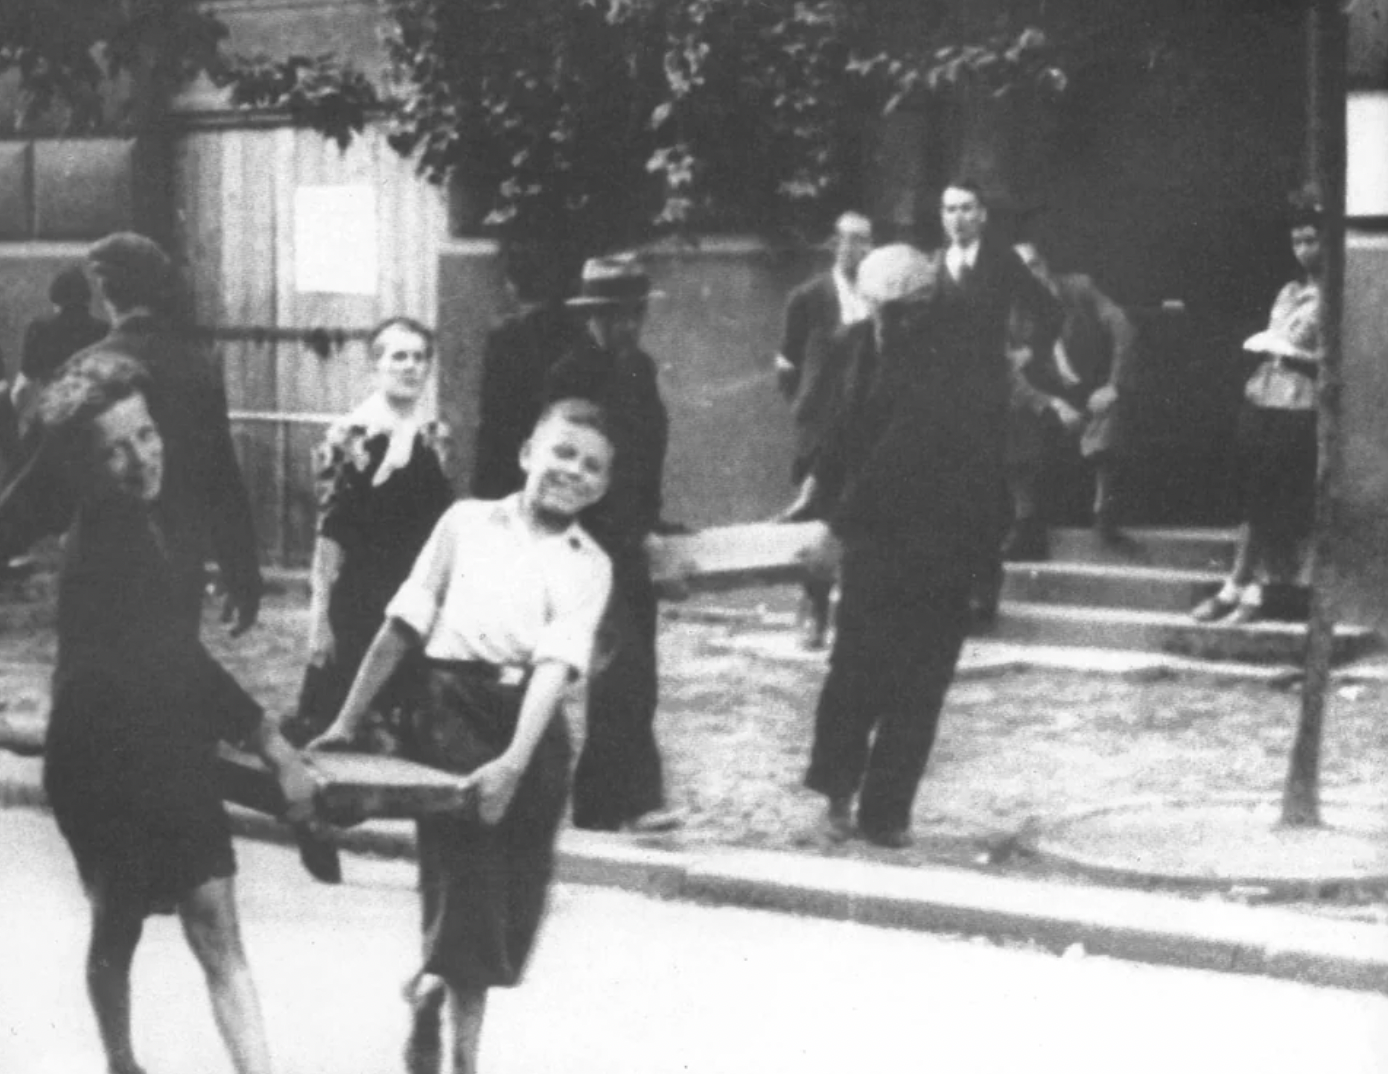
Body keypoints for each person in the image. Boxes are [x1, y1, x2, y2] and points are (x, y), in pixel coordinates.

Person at [308, 398, 615, 1074]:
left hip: (532, 733)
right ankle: (463, 1063)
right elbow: (402, 627)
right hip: (447, 715)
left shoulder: (590, 564)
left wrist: (513, 761)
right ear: (527, 453)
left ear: (604, 485)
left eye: (592, 466)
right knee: (467, 887)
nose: (573, 471)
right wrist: (347, 721)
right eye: (562, 452)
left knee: (512, 911)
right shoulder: (465, 523)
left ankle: (427, 988)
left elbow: (555, 669)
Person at [30, 351, 316, 1074]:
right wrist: (270, 742)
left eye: (147, 435)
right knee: (117, 926)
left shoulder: (165, 516)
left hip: (169, 744)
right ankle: (123, 1064)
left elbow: (178, 659)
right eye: (114, 451)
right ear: (87, 469)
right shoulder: (101, 551)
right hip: (101, 764)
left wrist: (265, 742)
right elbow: (175, 661)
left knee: (217, 928)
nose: (139, 459)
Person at [0, 232, 263, 635]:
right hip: (178, 556)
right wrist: (242, 571)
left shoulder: (87, 367)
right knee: (170, 675)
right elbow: (222, 477)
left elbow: (42, 483)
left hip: (100, 562)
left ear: (105, 291)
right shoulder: (198, 366)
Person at [281, 316, 455, 880]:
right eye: (396, 357)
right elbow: (329, 534)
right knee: (338, 728)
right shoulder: (346, 436)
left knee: (416, 733)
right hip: (359, 601)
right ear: (374, 366)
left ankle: (435, 860)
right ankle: (313, 821)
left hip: (417, 601)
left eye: (418, 357)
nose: (409, 367)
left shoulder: (436, 436)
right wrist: (320, 618)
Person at [542, 254, 682, 833]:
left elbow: (646, 456)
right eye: (616, 316)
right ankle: (630, 802)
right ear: (593, 317)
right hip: (591, 538)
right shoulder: (570, 376)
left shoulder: (641, 370)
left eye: (635, 315)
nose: (628, 327)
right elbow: (569, 471)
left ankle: (604, 806)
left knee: (634, 671)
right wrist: (622, 529)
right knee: (622, 668)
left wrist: (654, 522)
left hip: (634, 539)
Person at [930, 179, 1062, 626]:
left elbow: (1049, 308)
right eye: (949, 210)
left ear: (982, 214)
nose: (958, 219)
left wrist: (1029, 352)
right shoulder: (934, 264)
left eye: (967, 209)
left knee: (985, 494)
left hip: (988, 395)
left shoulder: (1001, 260)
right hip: (945, 398)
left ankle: (983, 593)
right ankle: (951, 589)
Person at [1191, 196, 1324, 625]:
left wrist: (1288, 347)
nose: (1304, 250)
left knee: (1274, 495)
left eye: (1311, 240)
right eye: (1297, 241)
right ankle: (1239, 584)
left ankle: (1249, 587)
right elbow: (1277, 334)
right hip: (1265, 391)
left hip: (1301, 398)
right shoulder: (1289, 291)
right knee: (1250, 491)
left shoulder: (1335, 292)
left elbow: (1311, 345)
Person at [773, 211, 874, 648]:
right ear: (834, 244)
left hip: (865, 427)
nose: (855, 249)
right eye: (848, 240)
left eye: (864, 241)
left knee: (858, 519)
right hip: (820, 427)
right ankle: (813, 609)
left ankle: (853, 617)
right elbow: (787, 367)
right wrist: (809, 407)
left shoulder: (879, 295)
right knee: (817, 520)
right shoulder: (808, 297)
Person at [1002, 240, 1139, 559]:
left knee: (1111, 408)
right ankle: (1026, 522)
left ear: (1046, 264)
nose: (1031, 276)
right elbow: (1007, 371)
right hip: (1047, 395)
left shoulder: (1079, 288)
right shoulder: (1010, 311)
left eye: (1034, 265)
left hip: (1090, 387)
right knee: (1011, 412)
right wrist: (1049, 403)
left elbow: (1123, 327)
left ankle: (1103, 511)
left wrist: (1115, 384)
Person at [471, 240, 584, 499]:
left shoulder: (505, 336)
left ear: (512, 285)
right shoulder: (576, 331)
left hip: (511, 461)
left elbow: (492, 420)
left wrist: (484, 491)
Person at [13, 265, 108, 432]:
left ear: (55, 299)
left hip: (52, 420)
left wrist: (10, 423)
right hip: (92, 423)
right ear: (87, 300)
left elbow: (22, 387)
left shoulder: (40, 328)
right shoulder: (103, 330)